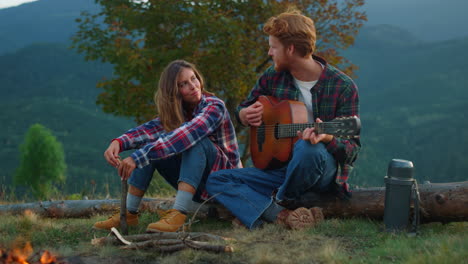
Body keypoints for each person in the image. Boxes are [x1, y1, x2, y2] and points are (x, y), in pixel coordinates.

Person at [206, 9, 360, 230]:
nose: (269, 52)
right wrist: (243, 115)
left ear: (290, 49)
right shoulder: (272, 76)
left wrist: (326, 137)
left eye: (273, 47)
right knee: (216, 180)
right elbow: (244, 107)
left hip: (319, 171)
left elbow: (352, 151)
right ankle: (283, 215)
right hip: (278, 170)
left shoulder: (343, 87)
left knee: (307, 148)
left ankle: (269, 208)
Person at [93, 60, 242, 232]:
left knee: (194, 142)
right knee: (152, 145)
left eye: (194, 79)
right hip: (201, 188)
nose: (193, 86)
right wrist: (118, 142)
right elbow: (150, 129)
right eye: (183, 84)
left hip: (226, 186)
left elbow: (187, 134)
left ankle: (178, 213)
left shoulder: (215, 107)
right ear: (174, 92)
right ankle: (128, 214)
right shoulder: (179, 111)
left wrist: (137, 158)